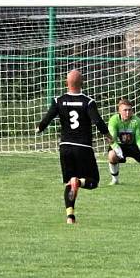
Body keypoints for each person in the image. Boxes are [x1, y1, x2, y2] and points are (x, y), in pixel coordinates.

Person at [36, 69, 112, 224]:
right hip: (83, 147)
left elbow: (47, 118)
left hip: (65, 147)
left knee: (70, 181)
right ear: (82, 83)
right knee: (93, 181)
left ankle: (70, 216)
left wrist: (39, 128)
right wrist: (108, 136)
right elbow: (97, 121)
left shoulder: (59, 100)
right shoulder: (88, 102)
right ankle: (80, 182)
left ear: (66, 83)